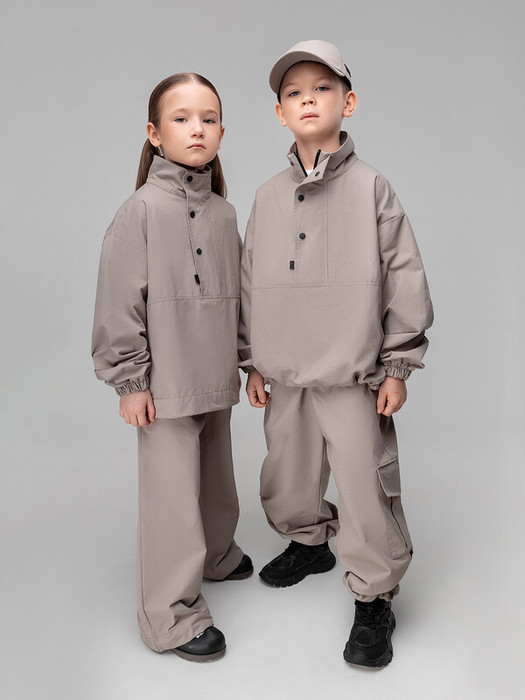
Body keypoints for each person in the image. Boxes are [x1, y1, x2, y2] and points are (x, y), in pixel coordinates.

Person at [238, 40, 433, 668]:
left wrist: (398, 364)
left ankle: (374, 595)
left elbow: (404, 274)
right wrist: (251, 360)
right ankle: (308, 540)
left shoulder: (372, 186)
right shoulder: (266, 196)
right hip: (284, 369)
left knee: (363, 482)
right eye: (293, 93)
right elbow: (249, 281)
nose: (308, 100)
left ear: (348, 102)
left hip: (352, 369)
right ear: (279, 113)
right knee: (287, 471)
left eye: (322, 88)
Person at [92, 72, 252, 662]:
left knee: (215, 478)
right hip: (164, 381)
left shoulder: (225, 214)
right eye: (181, 118)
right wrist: (130, 381)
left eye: (208, 118)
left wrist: (251, 362)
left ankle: (217, 554)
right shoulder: (139, 210)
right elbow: (118, 303)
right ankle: (171, 616)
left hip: (215, 370)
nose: (197, 129)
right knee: (171, 499)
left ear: (222, 133)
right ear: (155, 134)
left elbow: (241, 298)